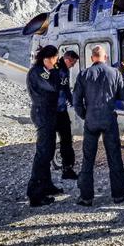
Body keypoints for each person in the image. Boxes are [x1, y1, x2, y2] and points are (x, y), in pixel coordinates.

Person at [72, 45, 124, 206]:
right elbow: (123, 97)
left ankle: (86, 197)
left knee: (88, 159)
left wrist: (85, 115)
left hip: (91, 120)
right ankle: (118, 195)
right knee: (114, 157)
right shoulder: (115, 73)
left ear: (92, 58)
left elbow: (76, 102)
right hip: (109, 120)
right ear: (105, 58)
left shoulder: (83, 74)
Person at [26, 45, 64, 207]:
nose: (56, 63)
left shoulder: (42, 71)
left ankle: (46, 185)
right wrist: (57, 73)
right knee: (43, 154)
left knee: (48, 151)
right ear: (47, 58)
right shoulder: (38, 72)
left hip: (48, 113)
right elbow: (53, 88)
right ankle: (35, 193)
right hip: (43, 114)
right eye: (55, 59)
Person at [55, 49, 80, 180]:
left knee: (67, 140)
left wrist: (73, 103)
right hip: (52, 112)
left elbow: (66, 89)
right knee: (49, 142)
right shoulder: (55, 69)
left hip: (62, 110)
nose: (74, 65)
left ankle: (67, 169)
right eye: (73, 62)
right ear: (67, 59)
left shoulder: (65, 70)